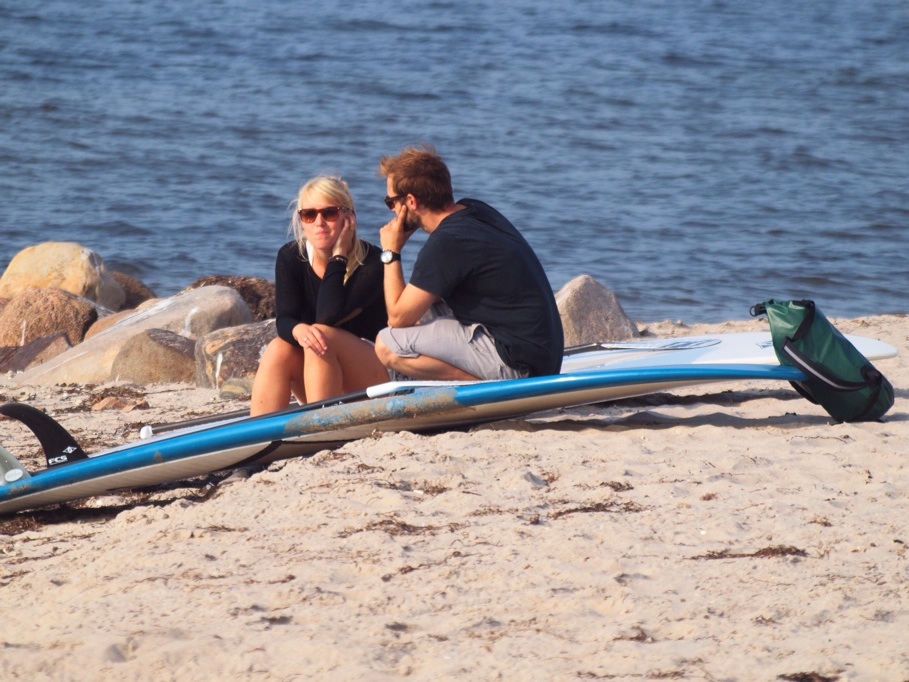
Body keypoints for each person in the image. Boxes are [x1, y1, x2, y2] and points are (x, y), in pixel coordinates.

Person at [374, 144, 564, 382]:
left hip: (518, 366)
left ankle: (474, 386)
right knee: (423, 306)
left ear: (410, 201)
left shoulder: (448, 241)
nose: (392, 210)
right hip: (542, 357)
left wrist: (391, 252)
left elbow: (397, 318)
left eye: (390, 202)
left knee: (387, 345)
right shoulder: (476, 211)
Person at [250, 175, 391, 416]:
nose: (319, 222)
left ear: (349, 218)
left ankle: (321, 426)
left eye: (329, 213)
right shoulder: (291, 257)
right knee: (279, 348)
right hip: (322, 377)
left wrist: (339, 256)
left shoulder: (372, 261)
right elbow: (285, 319)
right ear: (301, 220)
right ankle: (259, 433)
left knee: (320, 335)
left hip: (376, 378)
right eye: (309, 215)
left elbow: (329, 315)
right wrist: (297, 329)